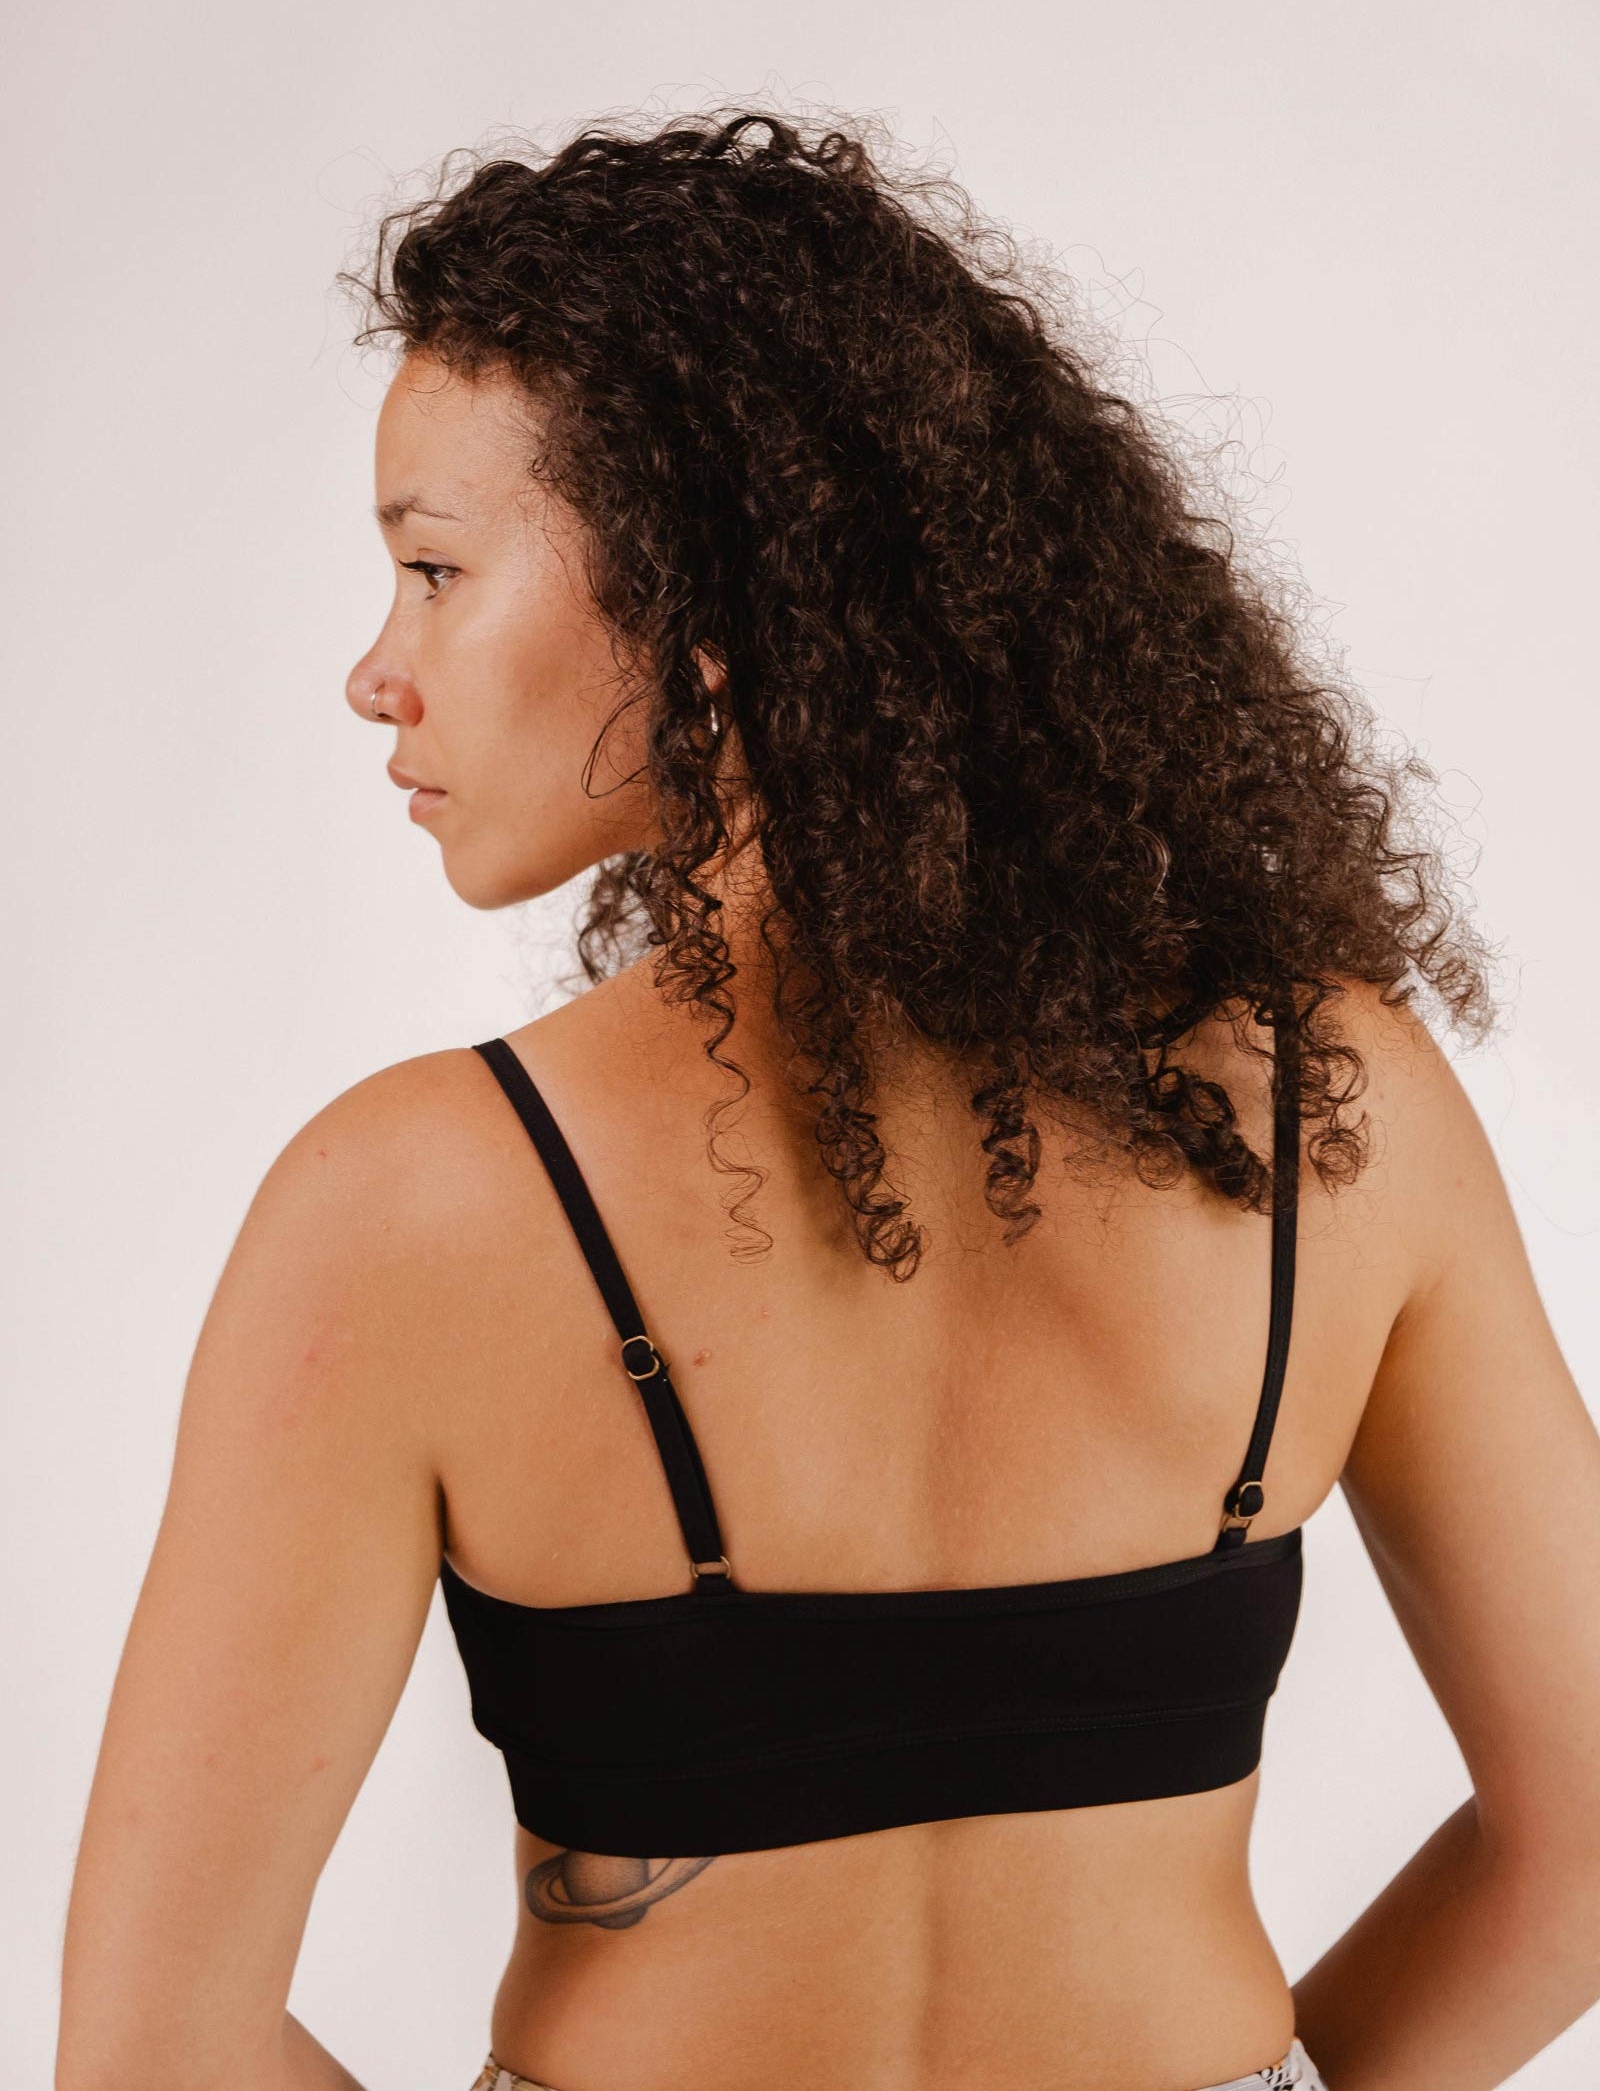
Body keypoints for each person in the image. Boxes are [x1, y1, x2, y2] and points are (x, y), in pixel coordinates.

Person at [57, 107, 1600, 2091]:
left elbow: (152, 2047)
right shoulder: (1325, 1114)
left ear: (700, 607)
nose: (380, 670)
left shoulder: (414, 1202)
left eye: (436, 570)